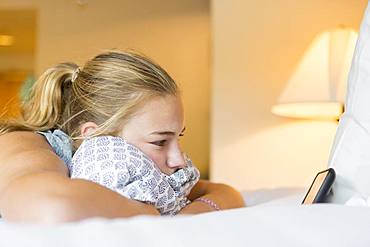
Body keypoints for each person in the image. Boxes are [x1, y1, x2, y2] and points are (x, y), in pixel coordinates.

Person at [0, 51, 245, 224]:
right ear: (93, 135)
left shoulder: (146, 173)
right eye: (160, 142)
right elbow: (51, 206)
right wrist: (151, 214)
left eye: (177, 138)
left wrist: (190, 216)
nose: (179, 160)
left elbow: (225, 193)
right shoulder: (24, 144)